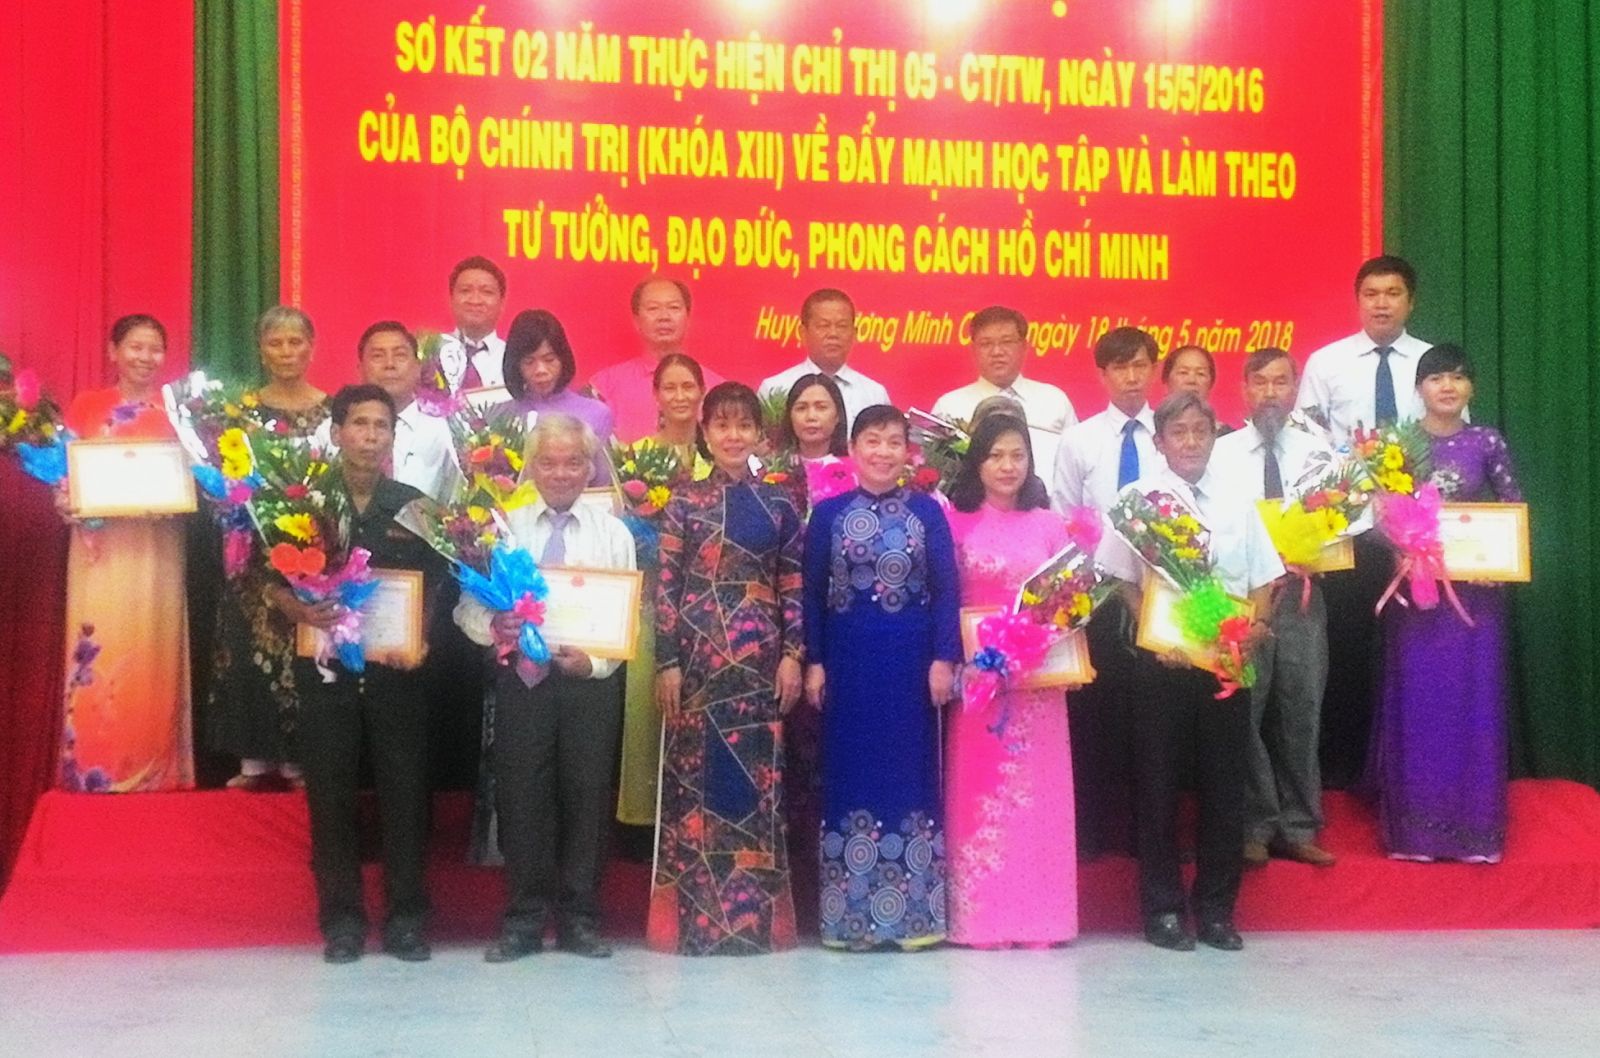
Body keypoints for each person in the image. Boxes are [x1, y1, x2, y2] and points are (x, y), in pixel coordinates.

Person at [1099, 392, 1285, 952]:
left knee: (1225, 789)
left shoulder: (1237, 499)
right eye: (1178, 432)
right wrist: (1156, 632)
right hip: (1163, 664)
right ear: (1159, 442)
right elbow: (1122, 578)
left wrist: (1254, 629)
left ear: (1213, 436)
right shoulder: (1138, 501)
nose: (1190, 442)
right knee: (1157, 786)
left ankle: (1216, 911)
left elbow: (1263, 579)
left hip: (1226, 663)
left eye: (1200, 431)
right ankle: (1162, 910)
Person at [272, 384, 444, 963]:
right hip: (326, 670)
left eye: (381, 426)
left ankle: (406, 920)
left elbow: (438, 584)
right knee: (331, 796)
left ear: (392, 437)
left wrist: (421, 636)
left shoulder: (414, 505)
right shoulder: (304, 503)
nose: (370, 436)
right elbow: (266, 580)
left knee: (406, 796)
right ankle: (342, 922)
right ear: (337, 432)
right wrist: (297, 608)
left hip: (397, 673)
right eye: (360, 424)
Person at [455, 414, 638, 959]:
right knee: (522, 796)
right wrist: (495, 625)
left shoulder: (613, 533)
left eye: (573, 462)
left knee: (587, 797)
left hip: (588, 684)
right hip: (522, 680)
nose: (561, 473)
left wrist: (595, 663)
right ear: (532, 467)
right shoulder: (501, 528)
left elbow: (625, 616)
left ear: (589, 468)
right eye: (550, 462)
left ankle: (581, 919)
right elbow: (467, 607)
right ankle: (524, 920)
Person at [650, 382, 804, 955]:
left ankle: (755, 925)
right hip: (696, 664)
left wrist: (793, 655)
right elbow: (666, 587)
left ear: (760, 434)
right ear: (706, 433)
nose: (733, 436)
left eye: (744, 425)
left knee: (757, 787)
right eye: (722, 425)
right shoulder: (683, 501)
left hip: (761, 663)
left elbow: (793, 584)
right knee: (695, 787)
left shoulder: (780, 504)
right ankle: (695, 927)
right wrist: (667, 661)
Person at [802, 405, 961, 952]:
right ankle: (850, 921)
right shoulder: (828, 514)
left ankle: (914, 919)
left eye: (894, 442)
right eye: (872, 440)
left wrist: (945, 657)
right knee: (850, 777)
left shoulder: (927, 513)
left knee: (909, 777)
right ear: (852, 449)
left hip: (911, 667)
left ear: (907, 452)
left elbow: (947, 590)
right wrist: (815, 660)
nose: (883, 452)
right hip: (849, 665)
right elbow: (811, 594)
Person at [1369, 344, 1520, 863]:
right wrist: (1400, 545)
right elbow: (1379, 516)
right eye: (1436, 378)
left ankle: (1476, 832)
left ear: (1471, 387)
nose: (1447, 387)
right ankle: (1416, 836)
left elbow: (1513, 508)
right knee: (1420, 707)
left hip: (1475, 600)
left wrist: (1499, 559)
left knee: (1473, 706)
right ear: (1419, 388)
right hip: (1417, 597)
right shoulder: (1398, 445)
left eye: (1458, 377)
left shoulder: (1487, 441)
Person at [1297, 255, 1436, 788]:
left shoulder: (1430, 362)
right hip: (1348, 531)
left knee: (1413, 648)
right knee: (1349, 647)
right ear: (1357, 302)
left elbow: (1449, 441)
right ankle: (1346, 767)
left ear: (1410, 301)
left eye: (1393, 293)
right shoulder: (1326, 363)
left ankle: (1409, 763)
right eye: (1371, 294)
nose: (1381, 303)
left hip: (1416, 537)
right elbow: (1306, 444)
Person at [944, 412, 1079, 948]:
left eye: (1017, 455)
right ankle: (982, 920)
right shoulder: (953, 520)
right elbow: (942, 601)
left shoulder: (1050, 525)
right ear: (977, 462)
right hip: (978, 682)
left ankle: (1043, 919)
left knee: (1039, 802)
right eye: (996, 455)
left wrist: (1060, 652)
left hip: (1040, 686)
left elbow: (1072, 604)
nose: (1007, 466)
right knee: (980, 796)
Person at [55, 314, 193, 793]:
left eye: (155, 348)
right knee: (99, 639)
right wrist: (65, 497)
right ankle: (94, 766)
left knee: (155, 642)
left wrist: (184, 494)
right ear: (113, 351)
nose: (145, 357)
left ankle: (157, 767)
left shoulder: (179, 413)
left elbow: (199, 478)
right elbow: (64, 471)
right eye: (135, 346)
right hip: (100, 548)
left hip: (159, 545)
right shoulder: (86, 406)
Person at [1211, 348, 1337, 868]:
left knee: (1302, 710)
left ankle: (1300, 826)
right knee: (1245, 711)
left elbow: (1349, 521)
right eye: (1259, 383)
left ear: (1294, 389)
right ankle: (1255, 824)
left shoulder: (1319, 452)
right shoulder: (1220, 453)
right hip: (1244, 602)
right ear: (1244, 390)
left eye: (1280, 383)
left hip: (1304, 598)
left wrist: (1319, 549)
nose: (1270, 393)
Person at [1048, 326, 1162, 858]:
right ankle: (1091, 830)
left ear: (1153, 369)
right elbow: (1063, 517)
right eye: (1120, 367)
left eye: (1140, 365)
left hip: (1160, 593)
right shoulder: (1080, 440)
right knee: (1095, 714)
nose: (1131, 377)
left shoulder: (1171, 434)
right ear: (1102, 375)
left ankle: (1148, 832)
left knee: (1153, 715)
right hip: (1095, 597)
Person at [209, 306, 329, 790]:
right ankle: (253, 760)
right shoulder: (238, 413)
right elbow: (223, 475)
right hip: (252, 545)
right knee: (249, 644)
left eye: (295, 342)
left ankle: (300, 761)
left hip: (312, 545)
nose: (286, 352)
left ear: (311, 348)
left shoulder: (330, 410)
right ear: (261, 350)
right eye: (275, 343)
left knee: (301, 646)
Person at [614, 353, 709, 835]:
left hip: (709, 606)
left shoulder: (718, 455)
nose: (679, 396)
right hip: (653, 601)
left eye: (688, 386)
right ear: (655, 395)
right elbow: (621, 534)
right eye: (669, 387)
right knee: (645, 710)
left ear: (701, 393)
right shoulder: (636, 460)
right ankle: (642, 822)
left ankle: (695, 817)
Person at [933, 305, 1077, 469]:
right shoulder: (949, 407)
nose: (997, 351)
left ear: (1024, 346)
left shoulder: (1054, 401)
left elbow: (1076, 463)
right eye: (986, 344)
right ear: (973, 349)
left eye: (1006, 342)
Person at [589, 277, 723, 442]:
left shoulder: (718, 388)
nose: (664, 317)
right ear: (636, 320)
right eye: (653, 308)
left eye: (674, 308)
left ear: (688, 317)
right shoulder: (604, 385)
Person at [495, 309, 614, 485]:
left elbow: (605, 486)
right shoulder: (498, 415)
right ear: (515, 365)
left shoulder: (597, 414)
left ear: (563, 358)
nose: (540, 370)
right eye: (529, 362)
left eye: (549, 359)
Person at [355, 321, 460, 502]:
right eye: (378, 356)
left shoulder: (445, 431)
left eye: (400, 355)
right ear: (360, 369)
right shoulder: (338, 429)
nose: (389, 364)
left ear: (418, 368)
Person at [759, 289, 891, 431]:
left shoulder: (874, 394)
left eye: (842, 326)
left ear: (854, 334)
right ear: (803, 333)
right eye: (824, 325)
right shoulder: (774, 388)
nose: (833, 334)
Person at [437, 255, 508, 392]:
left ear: (502, 303)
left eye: (487, 292)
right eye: (465, 291)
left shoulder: (515, 358)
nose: (475, 300)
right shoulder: (431, 353)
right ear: (451, 299)